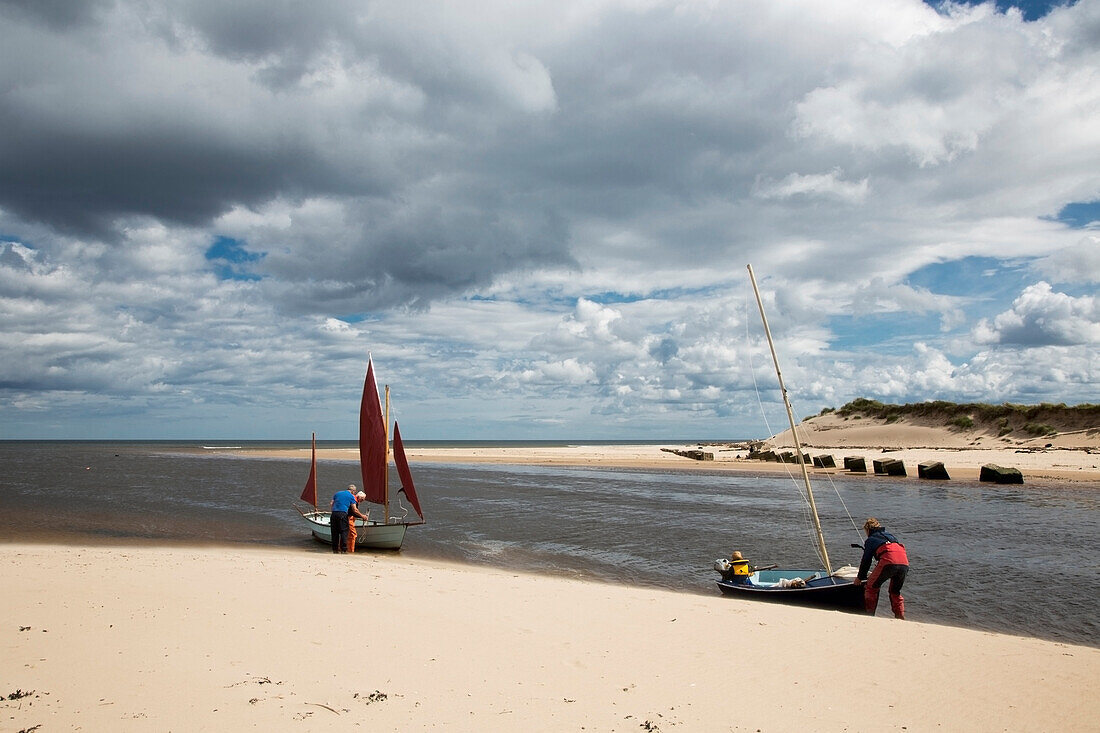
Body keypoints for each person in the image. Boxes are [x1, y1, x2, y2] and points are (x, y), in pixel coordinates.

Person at [855, 517, 909, 619]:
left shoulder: (870, 540)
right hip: (904, 562)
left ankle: (870, 615)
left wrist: (860, 577)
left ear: (868, 529)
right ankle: (900, 617)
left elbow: (866, 560)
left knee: (871, 587)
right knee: (895, 592)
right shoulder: (891, 536)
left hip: (888, 562)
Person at [329, 484, 359, 554]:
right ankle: (344, 550)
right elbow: (354, 509)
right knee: (344, 532)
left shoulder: (337, 493)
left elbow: (331, 504)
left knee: (335, 533)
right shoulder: (351, 496)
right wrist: (363, 516)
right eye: (354, 492)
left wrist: (334, 511)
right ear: (353, 491)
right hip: (342, 514)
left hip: (334, 514)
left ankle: (335, 550)